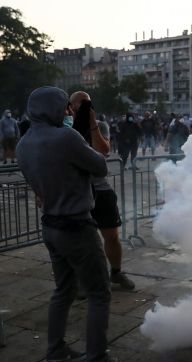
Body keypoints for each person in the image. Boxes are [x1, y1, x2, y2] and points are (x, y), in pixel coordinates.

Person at [16, 86, 115, 362]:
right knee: (99, 293)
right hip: (76, 226)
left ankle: (55, 351)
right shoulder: (65, 137)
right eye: (65, 108)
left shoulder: (23, 144)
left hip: (50, 225)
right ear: (53, 108)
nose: (69, 113)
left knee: (64, 290)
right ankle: (98, 361)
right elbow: (99, 166)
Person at [69, 92, 136, 291]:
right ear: (70, 107)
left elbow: (104, 150)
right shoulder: (65, 128)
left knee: (112, 235)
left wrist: (91, 124)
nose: (83, 109)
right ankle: (81, 279)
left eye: (87, 104)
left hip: (100, 189)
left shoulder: (99, 125)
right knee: (80, 240)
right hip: (77, 191)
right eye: (79, 105)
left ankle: (116, 272)